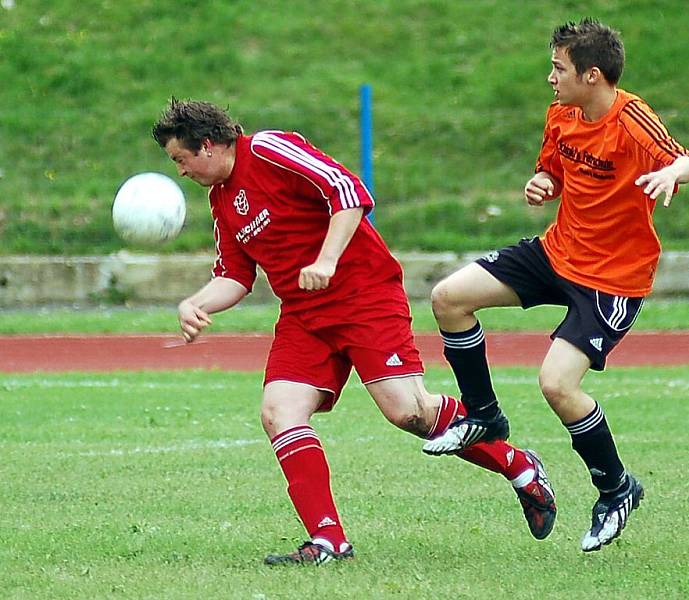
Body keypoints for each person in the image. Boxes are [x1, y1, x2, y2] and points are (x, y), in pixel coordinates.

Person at [151, 98, 557, 566]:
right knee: (279, 411)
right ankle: (327, 540)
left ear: (206, 145)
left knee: (409, 412)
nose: (181, 171)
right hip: (305, 316)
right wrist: (196, 303)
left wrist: (326, 259)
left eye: (180, 159)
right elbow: (237, 275)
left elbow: (348, 191)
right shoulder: (221, 199)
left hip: (364, 295)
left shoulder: (268, 150)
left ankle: (520, 466)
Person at [423, 18, 689, 553]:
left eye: (559, 68)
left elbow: (686, 160)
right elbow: (553, 171)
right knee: (449, 298)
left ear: (591, 75)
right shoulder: (562, 113)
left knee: (557, 385)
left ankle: (616, 489)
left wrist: (673, 173)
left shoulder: (632, 120)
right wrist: (542, 182)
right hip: (557, 253)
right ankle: (483, 417)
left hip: (612, 280)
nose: (551, 77)